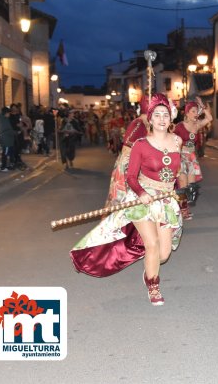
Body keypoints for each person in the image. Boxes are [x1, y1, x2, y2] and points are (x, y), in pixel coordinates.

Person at [70, 93, 183, 306]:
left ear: (171, 119)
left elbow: (174, 171)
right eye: (157, 114)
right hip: (143, 201)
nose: (161, 119)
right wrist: (142, 193)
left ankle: (150, 268)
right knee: (152, 244)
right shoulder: (141, 144)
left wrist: (183, 189)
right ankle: (153, 284)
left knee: (164, 253)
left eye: (165, 115)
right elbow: (131, 176)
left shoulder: (177, 141)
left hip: (167, 201)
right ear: (150, 118)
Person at [105, 95, 152, 206]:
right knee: (125, 194)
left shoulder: (146, 124)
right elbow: (128, 140)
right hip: (129, 161)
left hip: (136, 160)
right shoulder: (138, 123)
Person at [174, 97, 213, 220]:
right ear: (187, 113)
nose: (196, 114)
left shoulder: (197, 125)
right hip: (181, 157)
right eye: (193, 111)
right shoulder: (179, 126)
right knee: (183, 186)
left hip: (191, 158)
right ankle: (182, 211)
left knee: (191, 187)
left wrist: (203, 106)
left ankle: (183, 209)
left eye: (197, 111)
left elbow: (210, 118)